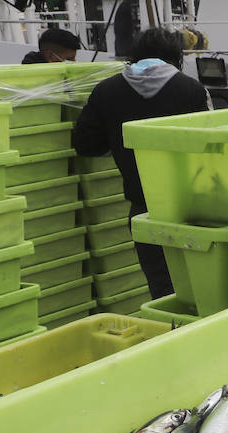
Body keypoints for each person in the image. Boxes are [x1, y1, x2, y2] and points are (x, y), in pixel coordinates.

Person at [72, 27, 212, 301]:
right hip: (194, 209)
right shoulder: (192, 90)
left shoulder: (106, 91)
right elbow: (212, 149)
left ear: (133, 56)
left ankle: (168, 335)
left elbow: (85, 144)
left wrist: (119, 146)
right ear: (175, 56)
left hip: (142, 209)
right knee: (204, 287)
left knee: (163, 292)